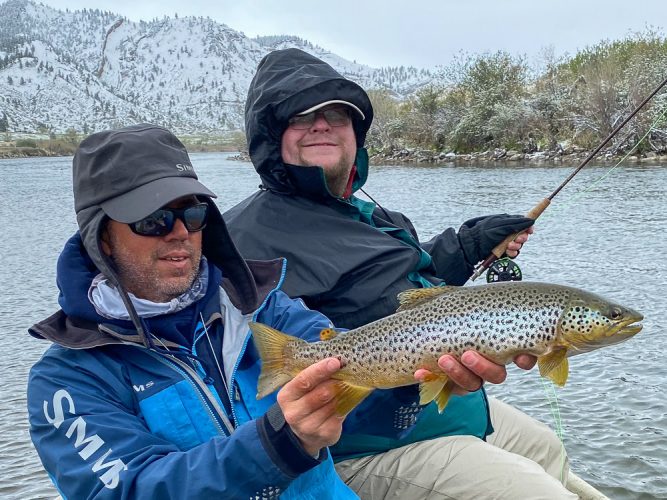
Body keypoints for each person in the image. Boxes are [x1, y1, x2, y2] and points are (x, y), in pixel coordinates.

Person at [224, 48, 577, 498]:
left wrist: (468, 245)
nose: (320, 124)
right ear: (270, 138)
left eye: (336, 115)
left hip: (440, 405)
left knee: (545, 448)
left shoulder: (370, 214)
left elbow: (403, 285)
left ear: (355, 135)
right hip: (360, 444)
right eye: (299, 116)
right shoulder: (240, 240)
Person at [28, 124, 370, 498]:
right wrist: (278, 444)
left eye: (191, 215)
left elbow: (363, 417)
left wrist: (409, 375)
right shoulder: (66, 378)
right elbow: (129, 490)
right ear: (103, 239)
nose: (179, 233)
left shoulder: (263, 307)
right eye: (152, 220)